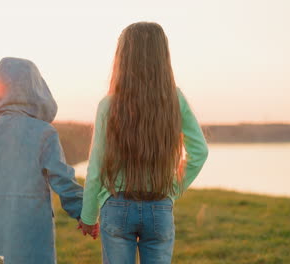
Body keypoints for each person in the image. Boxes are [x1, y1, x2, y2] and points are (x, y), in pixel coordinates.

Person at [78, 22, 209, 264]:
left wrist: (88, 216)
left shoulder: (108, 104)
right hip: (159, 206)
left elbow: (95, 167)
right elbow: (200, 152)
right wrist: (172, 190)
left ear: (123, 57)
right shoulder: (175, 99)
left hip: (116, 206)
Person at [0, 57, 87, 264]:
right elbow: (62, 179)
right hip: (33, 238)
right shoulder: (44, 134)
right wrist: (84, 212)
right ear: (35, 89)